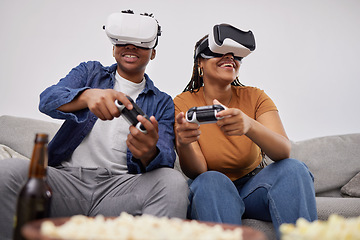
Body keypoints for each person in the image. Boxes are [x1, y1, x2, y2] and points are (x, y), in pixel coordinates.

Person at [0, 10, 188, 240]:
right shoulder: (90, 72)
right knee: (7, 172)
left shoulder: (162, 102)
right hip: (65, 182)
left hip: (119, 190)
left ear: (153, 53)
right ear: (113, 48)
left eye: (140, 43)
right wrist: (87, 97)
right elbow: (47, 100)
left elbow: (166, 158)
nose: (130, 47)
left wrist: (149, 151)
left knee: (173, 183)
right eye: (123, 41)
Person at [173, 23, 317, 239]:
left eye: (235, 56)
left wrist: (250, 126)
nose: (229, 58)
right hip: (212, 190)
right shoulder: (182, 103)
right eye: (218, 52)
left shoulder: (256, 97)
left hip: (254, 188)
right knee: (212, 181)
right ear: (200, 62)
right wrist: (183, 143)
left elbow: (283, 151)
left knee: (293, 169)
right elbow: (198, 170)